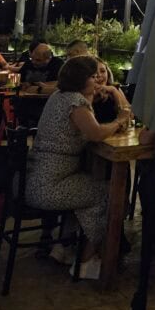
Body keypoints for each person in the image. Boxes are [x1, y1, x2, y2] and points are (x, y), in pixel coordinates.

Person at [25, 55, 130, 279]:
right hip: (51, 186)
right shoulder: (76, 102)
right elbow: (95, 133)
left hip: (38, 178)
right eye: (93, 76)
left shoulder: (60, 96)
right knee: (111, 193)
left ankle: (67, 248)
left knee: (91, 191)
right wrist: (120, 120)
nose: (98, 80)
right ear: (81, 79)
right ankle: (86, 261)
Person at [91, 57, 129, 123]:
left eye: (102, 71)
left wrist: (114, 90)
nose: (99, 75)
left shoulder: (115, 88)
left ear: (108, 73)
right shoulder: (84, 94)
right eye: (94, 72)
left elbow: (129, 115)